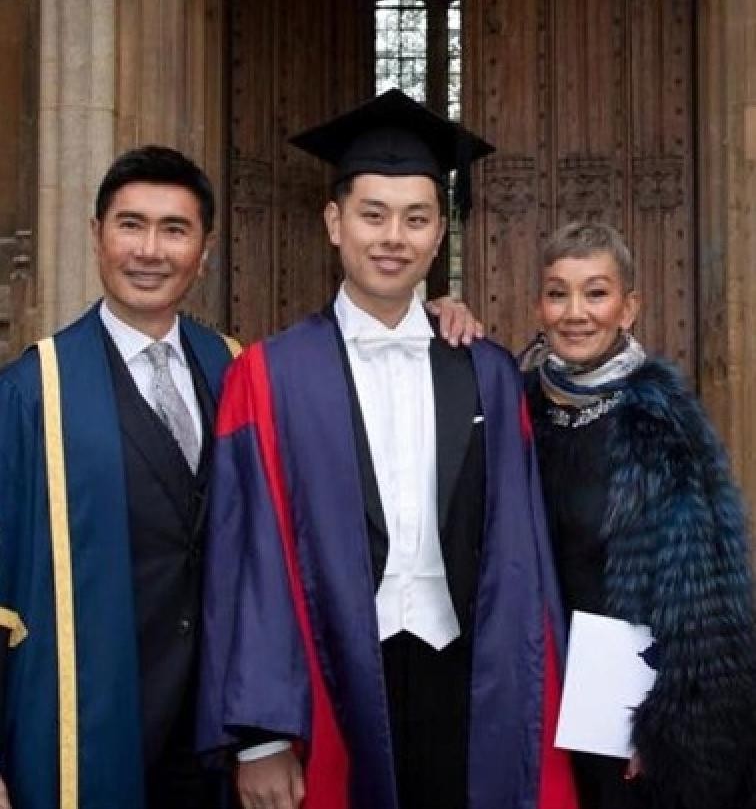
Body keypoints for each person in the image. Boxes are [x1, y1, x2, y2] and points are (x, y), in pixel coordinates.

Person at [197, 88, 578, 809]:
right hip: (327, 680)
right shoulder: (269, 376)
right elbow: (243, 557)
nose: (393, 237)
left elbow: (523, 552)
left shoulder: (489, 372)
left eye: (416, 218)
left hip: (465, 679)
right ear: (334, 222)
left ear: (440, 235)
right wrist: (259, 736)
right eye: (373, 215)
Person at [0, 146, 241, 809]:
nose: (150, 251)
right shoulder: (32, 393)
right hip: (87, 719)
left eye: (175, 229)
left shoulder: (232, 367)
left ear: (204, 250)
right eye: (130, 225)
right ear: (97, 235)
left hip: (213, 736)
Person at [520, 221, 756, 809]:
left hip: (622, 711)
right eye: (558, 293)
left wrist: (667, 725)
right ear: (539, 307)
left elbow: (704, 597)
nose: (576, 312)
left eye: (596, 293)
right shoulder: (516, 405)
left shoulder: (659, 421)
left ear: (629, 308)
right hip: (533, 692)